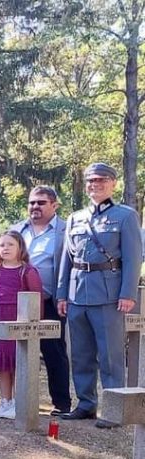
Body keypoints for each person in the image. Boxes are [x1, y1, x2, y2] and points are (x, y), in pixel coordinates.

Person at [58, 162, 143, 427]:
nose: (95, 185)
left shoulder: (125, 216)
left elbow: (133, 258)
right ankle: (86, 404)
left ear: (113, 184)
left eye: (101, 180)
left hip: (108, 294)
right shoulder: (75, 218)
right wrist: (62, 294)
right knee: (81, 354)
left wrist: (128, 293)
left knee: (110, 356)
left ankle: (115, 410)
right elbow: (66, 259)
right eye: (91, 181)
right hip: (77, 294)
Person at [11, 185, 71, 416]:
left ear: (54, 205)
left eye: (41, 202)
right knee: (14, 351)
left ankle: (62, 403)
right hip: (17, 302)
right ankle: (15, 400)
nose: (35, 206)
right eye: (32, 202)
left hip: (50, 301)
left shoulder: (64, 230)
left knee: (54, 351)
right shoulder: (17, 229)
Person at [0, 232, 43, 420]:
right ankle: (5, 400)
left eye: (10, 244)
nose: (5, 248)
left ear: (20, 247)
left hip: (18, 318)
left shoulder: (27, 271)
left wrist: (36, 324)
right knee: (2, 363)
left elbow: (37, 299)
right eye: (2, 245)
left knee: (17, 360)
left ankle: (19, 401)